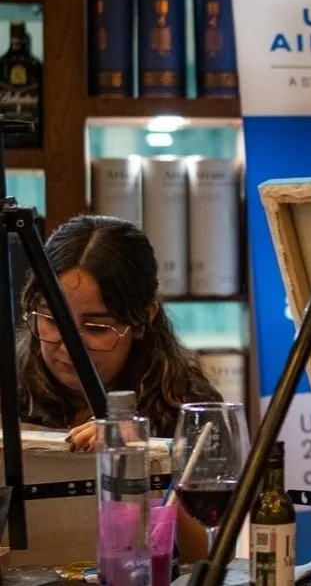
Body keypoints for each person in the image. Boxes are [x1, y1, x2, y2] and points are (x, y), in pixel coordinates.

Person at [15, 214, 223, 561]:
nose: (69, 346)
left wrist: (142, 460)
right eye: (51, 319)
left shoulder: (189, 406)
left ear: (143, 318)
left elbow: (207, 555)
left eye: (97, 327)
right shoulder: (9, 385)